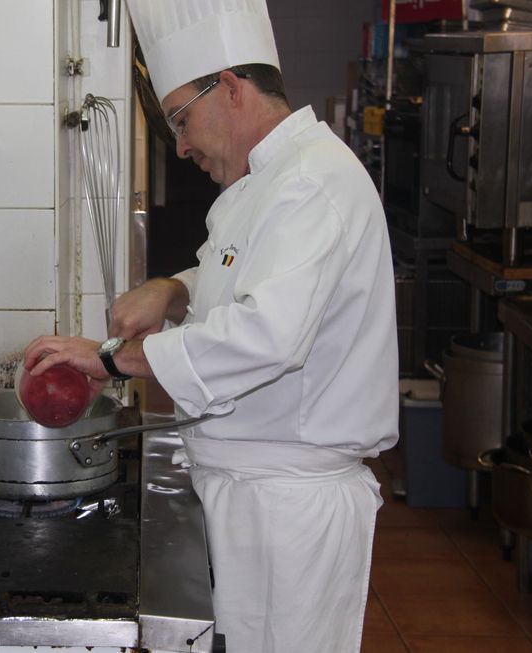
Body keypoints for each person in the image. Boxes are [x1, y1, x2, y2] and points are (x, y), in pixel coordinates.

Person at [23, 1, 399, 651]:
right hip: (252, 497)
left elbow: (266, 335)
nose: (182, 145)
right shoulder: (264, 183)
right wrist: (172, 290)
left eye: (181, 119)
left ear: (229, 87)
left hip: (285, 514)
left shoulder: (313, 182)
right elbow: (242, 280)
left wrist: (110, 357)